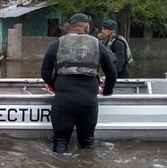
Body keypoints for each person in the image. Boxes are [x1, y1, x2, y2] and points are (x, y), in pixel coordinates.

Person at [41, 13, 117, 153]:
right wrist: (107, 91)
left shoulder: (57, 44)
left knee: (61, 142)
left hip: (64, 99)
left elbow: (45, 73)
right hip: (89, 100)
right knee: (87, 144)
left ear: (69, 28)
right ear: (87, 28)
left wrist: (56, 87)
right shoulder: (98, 45)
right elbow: (112, 74)